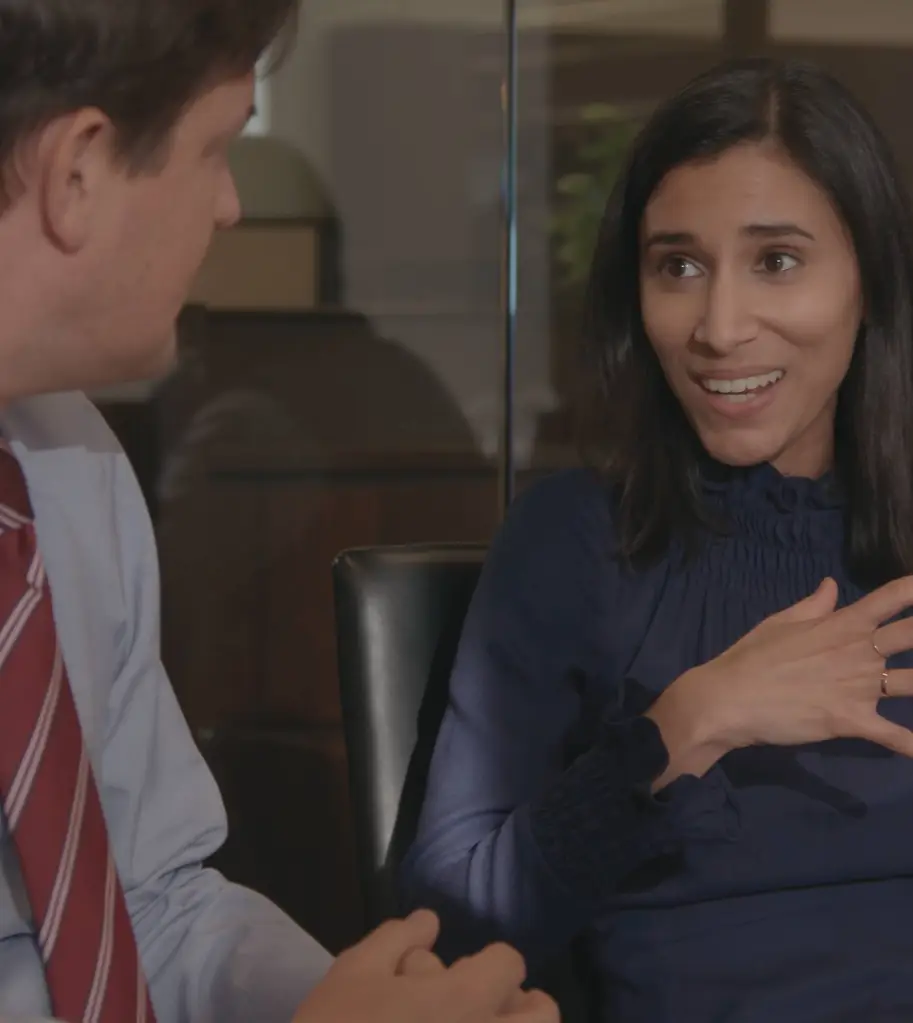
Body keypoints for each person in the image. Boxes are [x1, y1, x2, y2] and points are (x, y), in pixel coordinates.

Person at [0, 3, 558, 1023]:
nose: (228, 208)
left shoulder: (69, 461)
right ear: (77, 170)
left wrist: (361, 1001)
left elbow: (152, 898)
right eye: (216, 149)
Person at [399, 56, 913, 1022]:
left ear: (870, 281)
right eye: (678, 266)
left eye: (776, 261)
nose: (719, 327)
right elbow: (443, 929)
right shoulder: (575, 542)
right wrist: (691, 722)